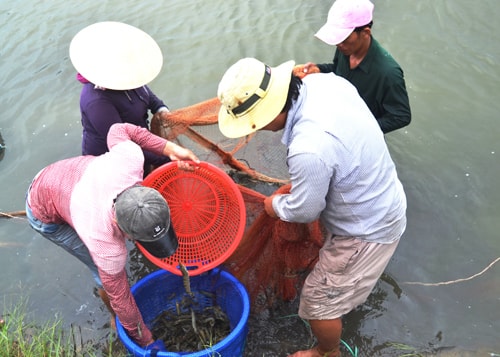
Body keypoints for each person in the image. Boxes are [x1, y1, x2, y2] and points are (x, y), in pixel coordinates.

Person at [217, 58, 407, 357]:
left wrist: (274, 204)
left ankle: (327, 352)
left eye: (255, 122)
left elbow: (305, 211)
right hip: (384, 192)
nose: (256, 130)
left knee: (318, 302)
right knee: (337, 282)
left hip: (368, 229)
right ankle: (353, 290)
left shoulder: (309, 148)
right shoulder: (323, 83)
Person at [25, 123, 199, 351]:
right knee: (102, 274)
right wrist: (146, 341)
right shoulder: (105, 244)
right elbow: (122, 299)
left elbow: (119, 129)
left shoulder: (130, 160)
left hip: (70, 176)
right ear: (121, 229)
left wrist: (169, 149)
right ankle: (111, 320)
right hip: (43, 210)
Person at [293, 0, 411, 134]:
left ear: (365, 33)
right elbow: (338, 69)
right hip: (342, 113)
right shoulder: (346, 49)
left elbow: (401, 116)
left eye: (343, 38)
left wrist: (361, 130)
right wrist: (319, 69)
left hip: (361, 131)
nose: (338, 43)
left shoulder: (389, 73)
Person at [69, 21, 173, 174]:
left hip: (140, 140)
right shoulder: (96, 101)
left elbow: (149, 98)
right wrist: (169, 156)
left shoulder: (130, 76)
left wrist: (161, 110)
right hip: (112, 161)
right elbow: (125, 146)